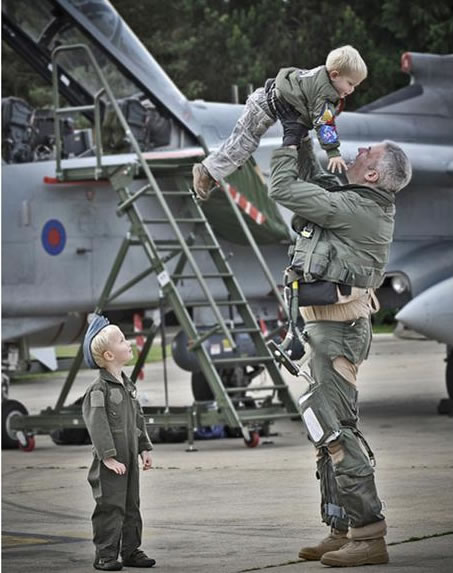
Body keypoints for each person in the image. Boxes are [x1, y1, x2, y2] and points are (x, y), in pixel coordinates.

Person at [268, 115, 412, 567]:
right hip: (325, 330)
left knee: (334, 432)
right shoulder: (352, 198)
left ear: (373, 174)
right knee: (323, 431)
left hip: (339, 333)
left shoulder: (358, 208)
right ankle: (342, 527)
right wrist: (304, 136)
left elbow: (285, 189)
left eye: (369, 152)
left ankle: (369, 536)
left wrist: (288, 144)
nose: (359, 150)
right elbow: (312, 181)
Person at [192, 45, 367, 200]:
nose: (351, 90)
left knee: (306, 154)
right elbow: (324, 123)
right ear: (335, 75)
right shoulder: (323, 95)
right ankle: (207, 171)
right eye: (350, 84)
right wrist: (333, 152)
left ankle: (328, 188)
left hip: (276, 104)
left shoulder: (318, 77)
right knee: (244, 144)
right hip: (263, 107)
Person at [82, 315, 156, 571]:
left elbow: (137, 419)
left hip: (130, 458)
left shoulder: (127, 386)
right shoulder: (98, 390)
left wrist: (144, 447)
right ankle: (105, 554)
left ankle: (131, 551)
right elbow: (97, 425)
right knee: (110, 507)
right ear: (109, 355)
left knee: (131, 505)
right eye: (122, 340)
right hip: (110, 464)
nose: (129, 343)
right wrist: (108, 457)